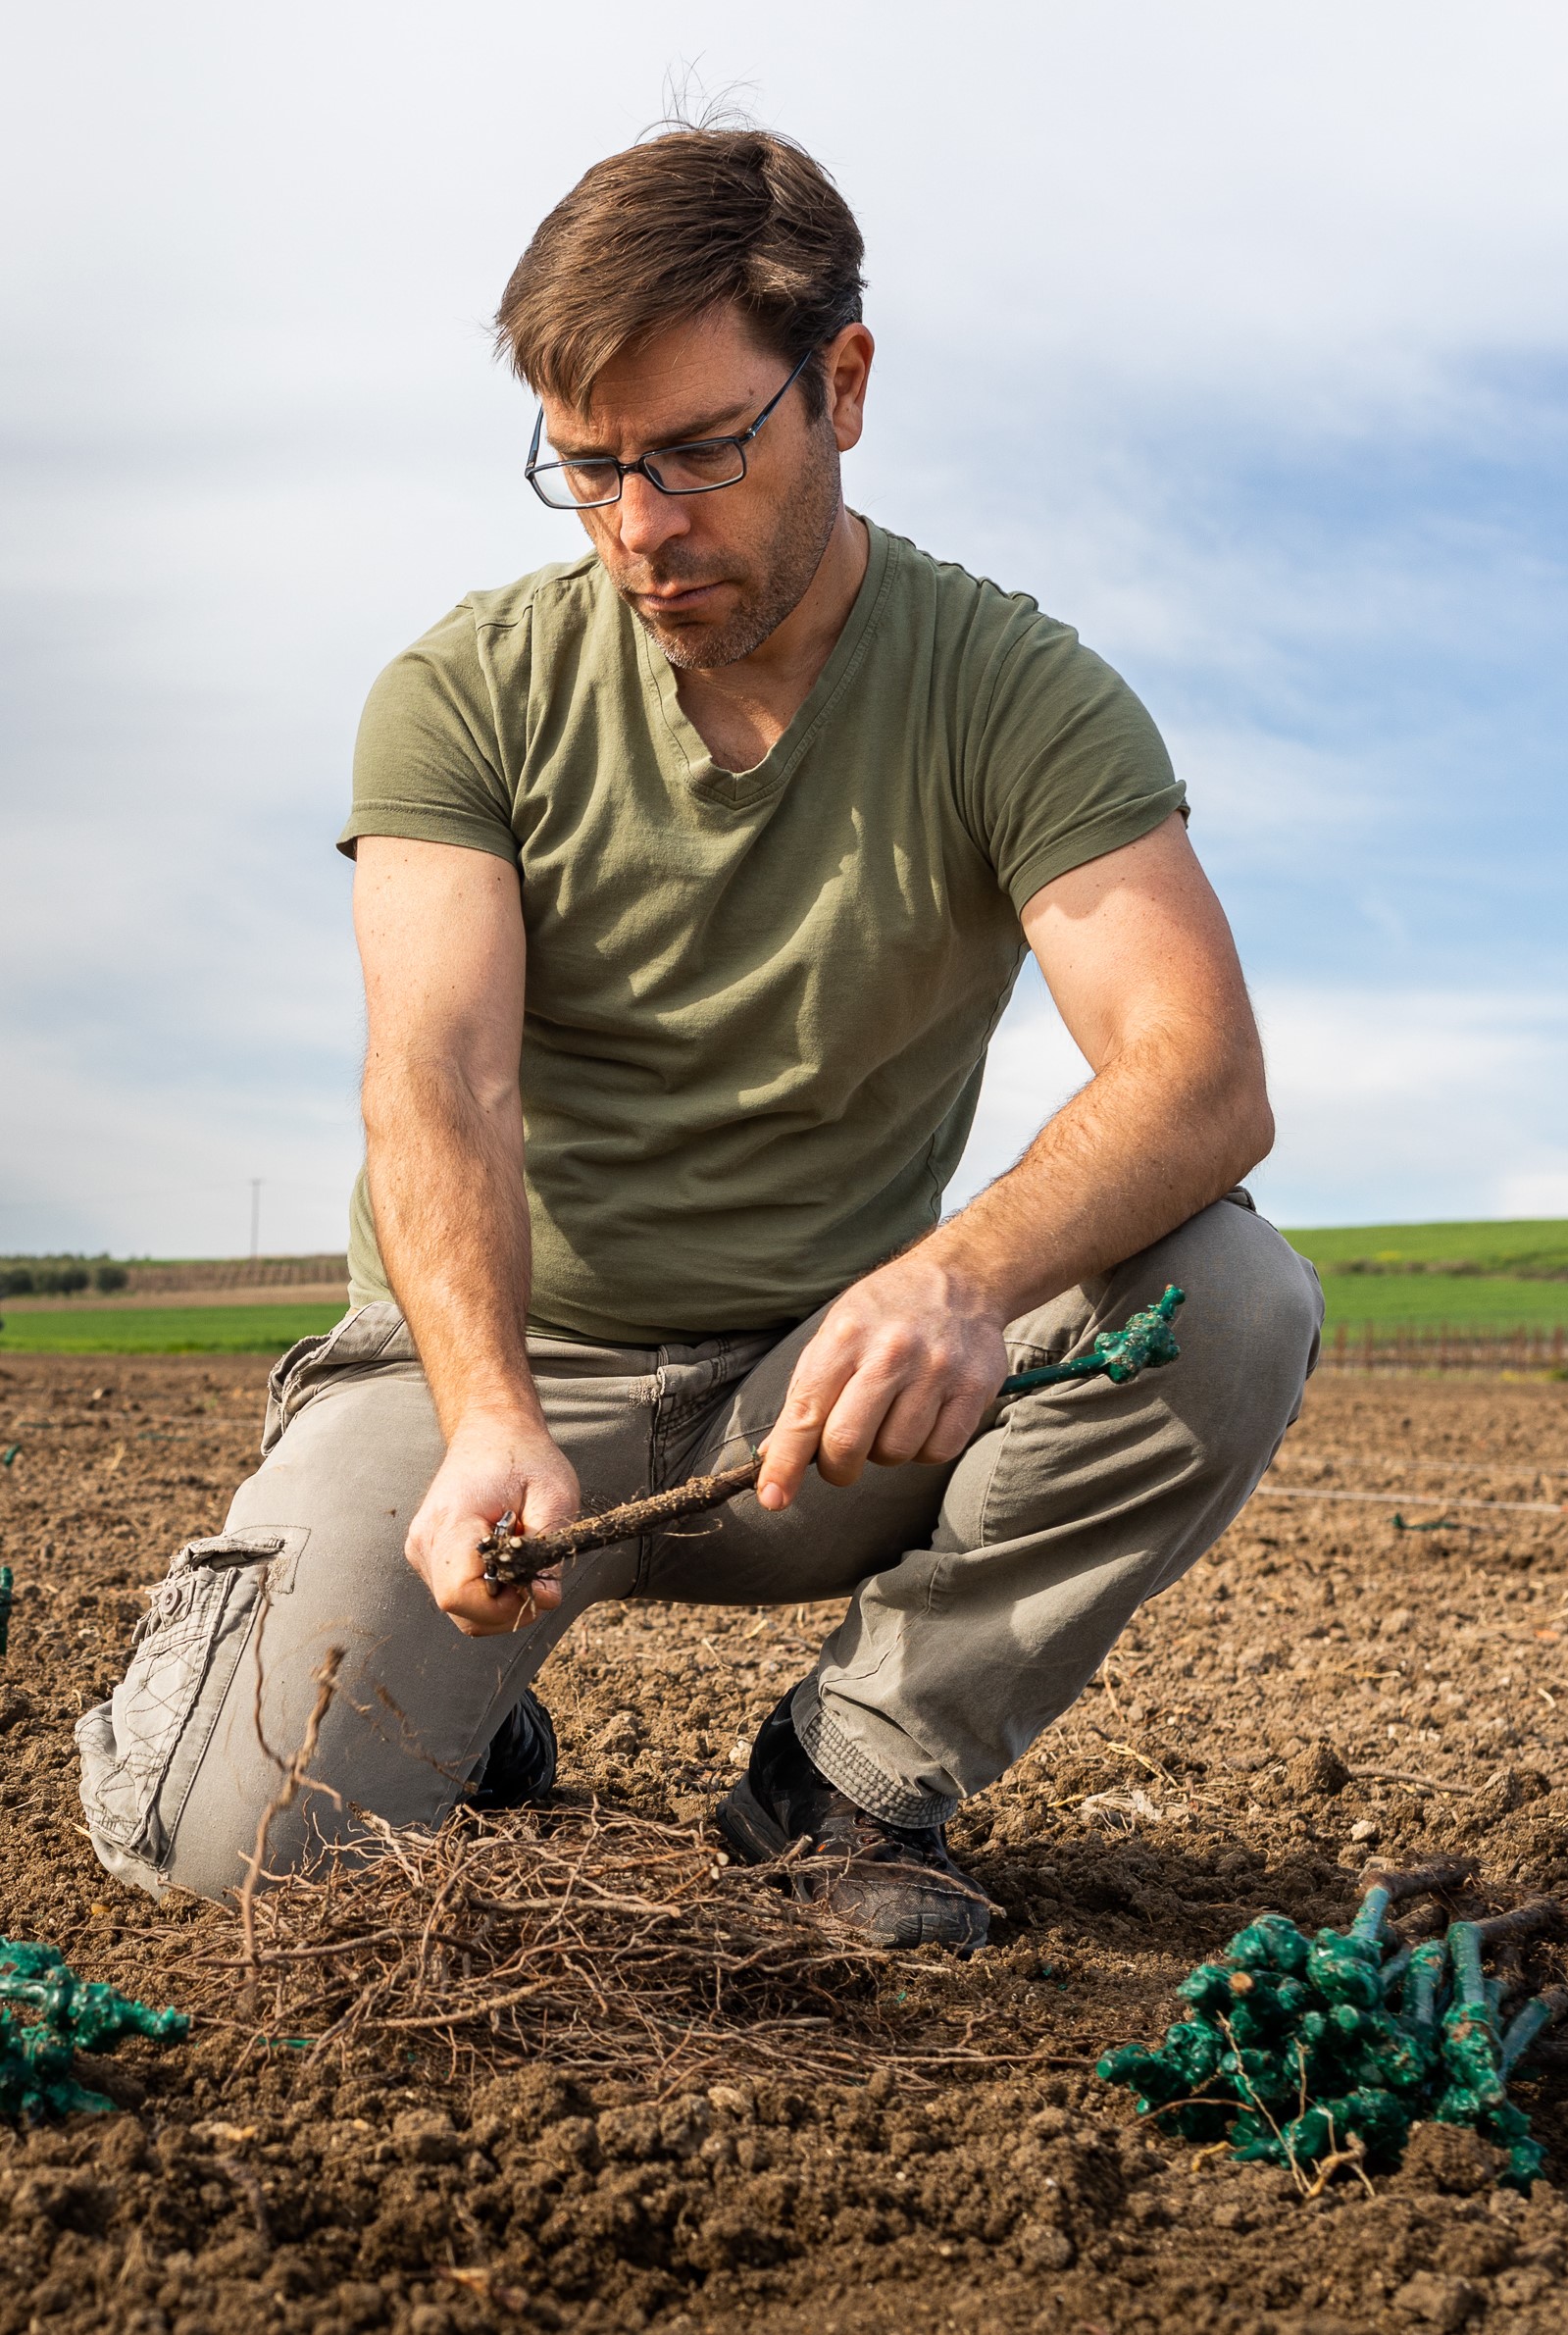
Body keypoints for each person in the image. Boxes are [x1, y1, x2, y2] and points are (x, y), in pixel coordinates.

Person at [78, 127, 1322, 1952]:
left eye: (696, 452)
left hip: (815, 1398)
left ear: (843, 383)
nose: (640, 527)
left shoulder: (1011, 692)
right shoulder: (463, 692)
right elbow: (442, 1076)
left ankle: (846, 1778)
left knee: (1231, 1297)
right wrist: (488, 1412)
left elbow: (1197, 1071)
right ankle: (459, 1717)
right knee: (223, 1856)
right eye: (587, 469)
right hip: (487, 1382)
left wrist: (957, 1278)